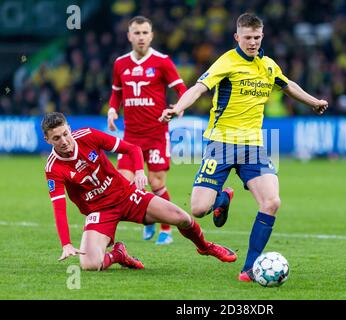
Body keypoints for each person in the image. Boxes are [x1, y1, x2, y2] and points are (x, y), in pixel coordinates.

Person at [160, 13, 328, 282]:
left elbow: (287, 85)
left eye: (256, 37)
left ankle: (249, 268)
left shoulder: (268, 65)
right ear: (237, 37)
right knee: (198, 209)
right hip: (221, 143)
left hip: (253, 147)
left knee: (272, 202)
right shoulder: (227, 61)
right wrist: (178, 107)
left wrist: (313, 101)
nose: (252, 42)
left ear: (262, 37)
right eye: (247, 37)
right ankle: (222, 198)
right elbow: (199, 88)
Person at [43, 112, 237, 271]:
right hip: (99, 211)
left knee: (183, 218)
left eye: (65, 133)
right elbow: (59, 208)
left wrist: (138, 171)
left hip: (126, 196)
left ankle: (205, 247)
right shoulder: (53, 168)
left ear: (70, 128)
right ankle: (118, 254)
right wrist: (66, 244)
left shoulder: (88, 135)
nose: (64, 141)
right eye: (56, 138)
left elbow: (132, 149)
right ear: (48, 140)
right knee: (89, 264)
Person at [107, 16, 187, 245]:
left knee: (156, 182)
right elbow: (116, 93)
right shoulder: (120, 63)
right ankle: (146, 218)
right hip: (130, 137)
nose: (141, 37)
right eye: (137, 33)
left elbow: (181, 89)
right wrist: (112, 110)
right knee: (124, 183)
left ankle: (166, 229)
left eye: (145, 33)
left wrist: (178, 107)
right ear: (129, 36)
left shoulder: (162, 62)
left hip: (156, 134)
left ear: (151, 35)